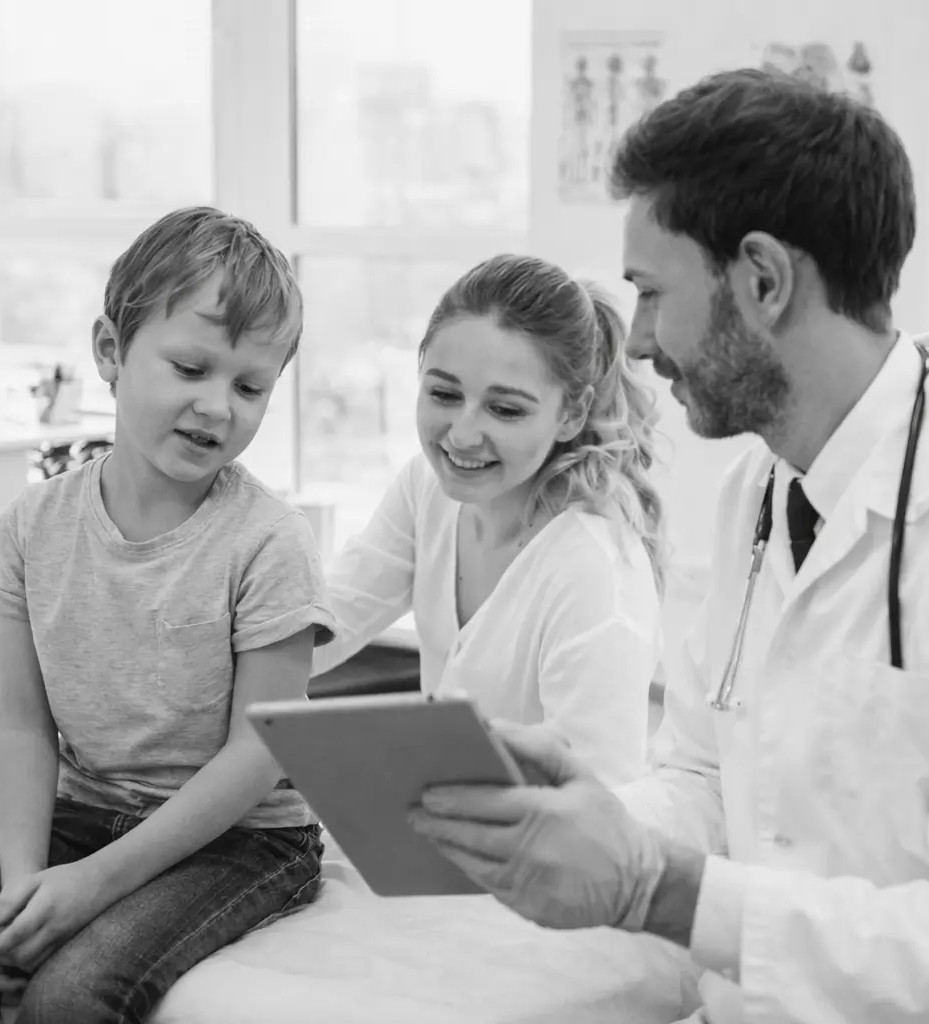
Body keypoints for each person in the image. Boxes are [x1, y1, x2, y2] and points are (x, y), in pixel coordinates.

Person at [407, 68, 929, 1023]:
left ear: (762, 280)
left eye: (650, 293)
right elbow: (703, 775)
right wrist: (587, 819)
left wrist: (665, 889)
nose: (637, 343)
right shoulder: (749, 494)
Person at [0, 206, 336, 1024]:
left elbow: (257, 756)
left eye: (250, 387)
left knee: (70, 997)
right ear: (110, 351)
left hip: (243, 837)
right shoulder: (29, 524)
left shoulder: (270, 543)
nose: (219, 407)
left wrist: (91, 884)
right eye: (191, 368)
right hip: (85, 810)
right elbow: (19, 725)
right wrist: (20, 889)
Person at [310, 253, 665, 790]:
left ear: (571, 414)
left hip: (537, 861)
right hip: (439, 833)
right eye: (444, 394)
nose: (462, 435)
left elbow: (598, 806)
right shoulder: (425, 491)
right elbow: (326, 625)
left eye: (505, 410)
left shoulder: (593, 570)